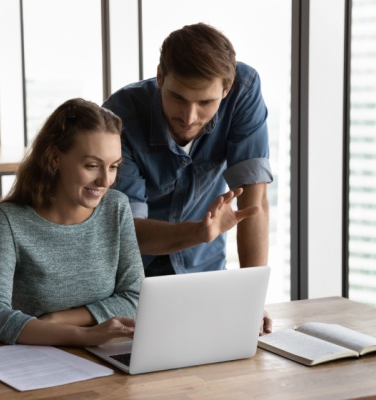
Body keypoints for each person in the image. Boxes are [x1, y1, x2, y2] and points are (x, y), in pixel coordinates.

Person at [103, 23, 273, 333]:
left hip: (203, 272)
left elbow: (254, 201)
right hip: (130, 281)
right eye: (178, 98)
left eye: (205, 103)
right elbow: (129, 233)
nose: (189, 116)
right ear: (160, 77)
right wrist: (201, 232)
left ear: (227, 88)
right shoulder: (119, 116)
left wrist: (252, 299)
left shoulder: (244, 91)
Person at [0, 98, 145, 347]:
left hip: (104, 355)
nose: (105, 181)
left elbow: (136, 298)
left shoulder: (116, 207)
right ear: (55, 157)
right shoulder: (10, 220)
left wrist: (58, 320)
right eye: (92, 165)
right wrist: (83, 335)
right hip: (35, 358)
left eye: (113, 167)